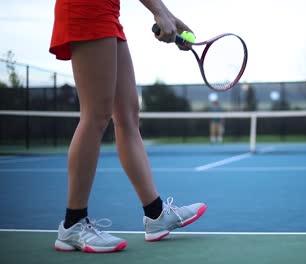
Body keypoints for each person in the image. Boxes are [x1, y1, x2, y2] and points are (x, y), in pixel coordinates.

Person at [49, 0, 206, 253]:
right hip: (86, 7)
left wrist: (168, 15)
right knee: (96, 115)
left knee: (128, 116)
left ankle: (155, 214)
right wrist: (159, 11)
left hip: (107, 10)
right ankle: (73, 223)